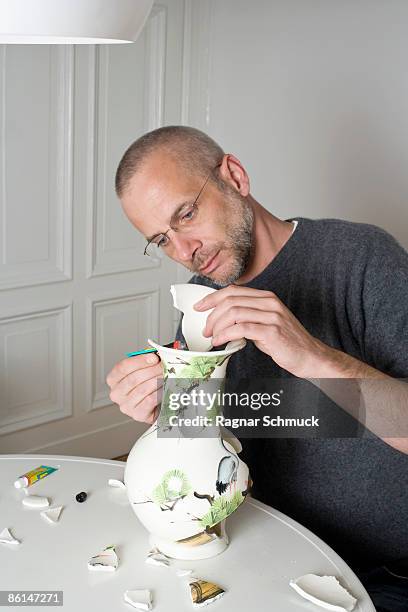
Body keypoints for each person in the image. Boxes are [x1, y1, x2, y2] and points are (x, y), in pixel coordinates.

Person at [106, 126, 408, 611]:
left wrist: (312, 357)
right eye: (162, 239)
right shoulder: (199, 298)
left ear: (235, 177)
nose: (185, 251)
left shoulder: (362, 258)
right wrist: (164, 408)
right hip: (267, 544)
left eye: (186, 214)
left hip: (386, 570)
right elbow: (195, 431)